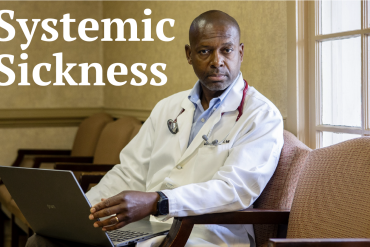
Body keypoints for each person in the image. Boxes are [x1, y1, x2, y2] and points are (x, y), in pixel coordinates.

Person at [26, 10, 284, 247]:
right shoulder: (168, 107)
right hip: (148, 228)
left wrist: (158, 201)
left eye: (226, 50)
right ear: (189, 54)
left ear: (240, 52)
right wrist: (85, 212)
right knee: (44, 241)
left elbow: (235, 190)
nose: (217, 61)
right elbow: (130, 172)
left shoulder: (260, 115)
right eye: (205, 51)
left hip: (207, 235)